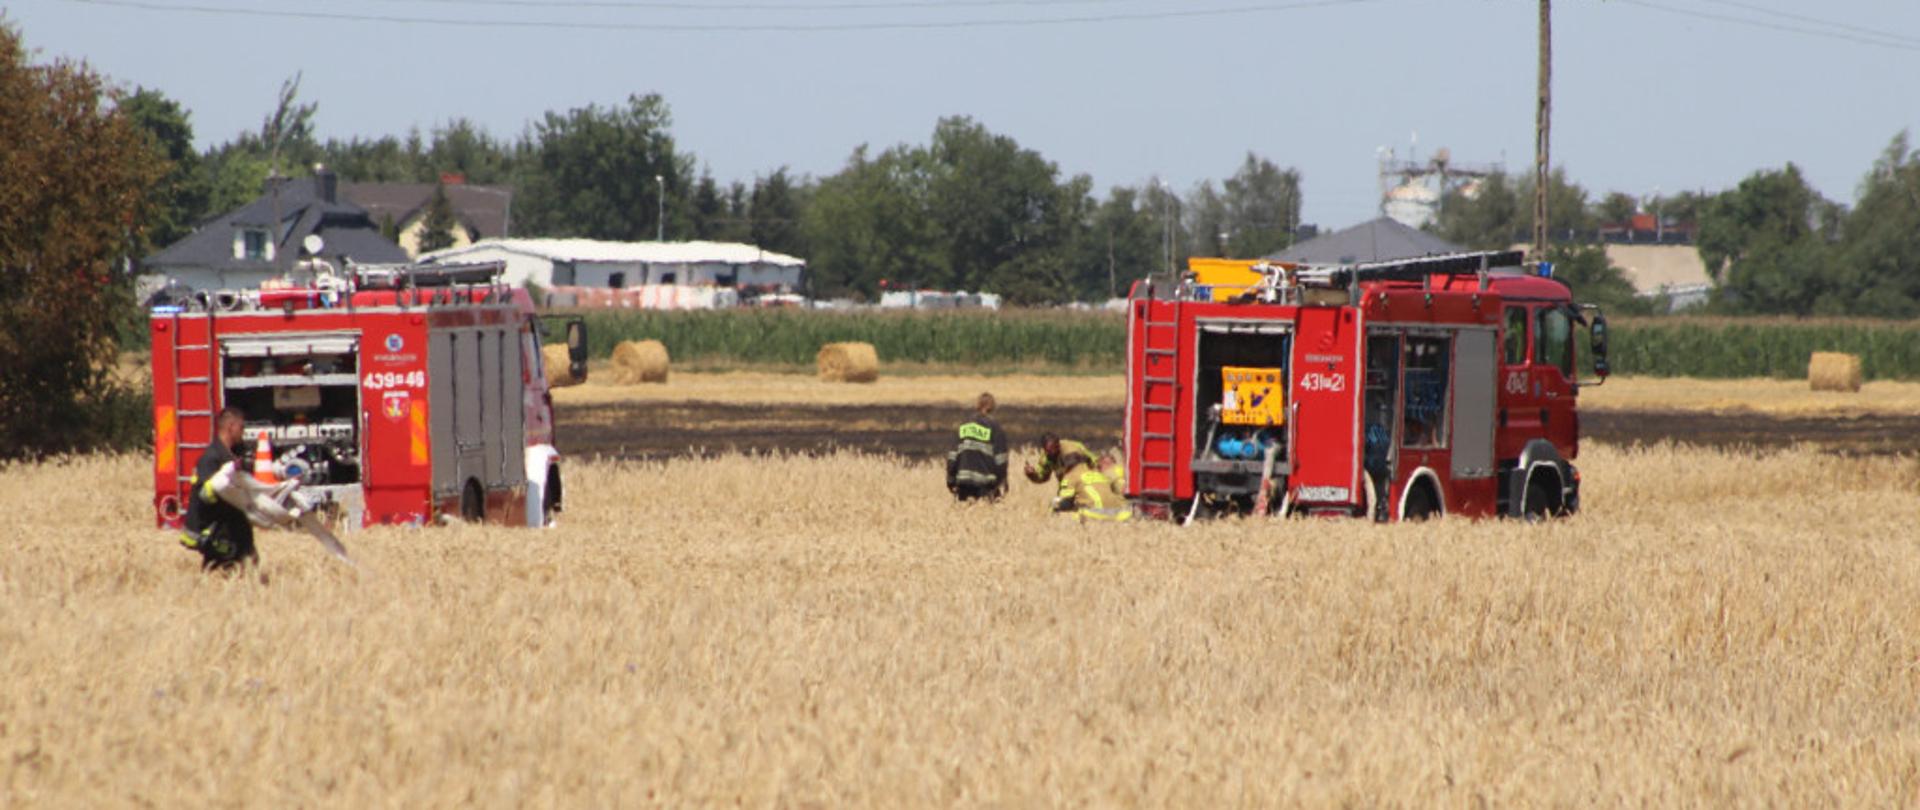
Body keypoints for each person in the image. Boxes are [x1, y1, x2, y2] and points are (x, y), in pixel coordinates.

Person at [180, 407, 258, 572]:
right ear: (231, 427)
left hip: (238, 529)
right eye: (241, 427)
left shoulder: (234, 454)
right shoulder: (211, 458)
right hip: (221, 532)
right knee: (220, 574)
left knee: (251, 569)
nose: (243, 432)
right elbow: (204, 496)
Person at [946, 392, 1009, 502]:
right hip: (985, 485)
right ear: (992, 407)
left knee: (965, 512)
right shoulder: (995, 427)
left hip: (963, 483)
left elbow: (952, 456)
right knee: (983, 512)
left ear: (977, 405)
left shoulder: (963, 426)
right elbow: (1001, 460)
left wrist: (951, 480)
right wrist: (1000, 482)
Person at [1052, 453, 1132, 522]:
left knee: (1056, 505)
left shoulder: (1070, 476)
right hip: (1119, 513)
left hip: (1094, 514)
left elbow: (1064, 502)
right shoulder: (1097, 473)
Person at [1024, 432, 1097, 485]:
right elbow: (1043, 477)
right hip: (1070, 485)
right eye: (1047, 451)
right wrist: (1032, 474)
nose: (1050, 453)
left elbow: (1075, 476)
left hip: (1089, 480)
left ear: (1058, 446)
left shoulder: (1071, 452)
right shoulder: (1047, 456)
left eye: (1052, 449)